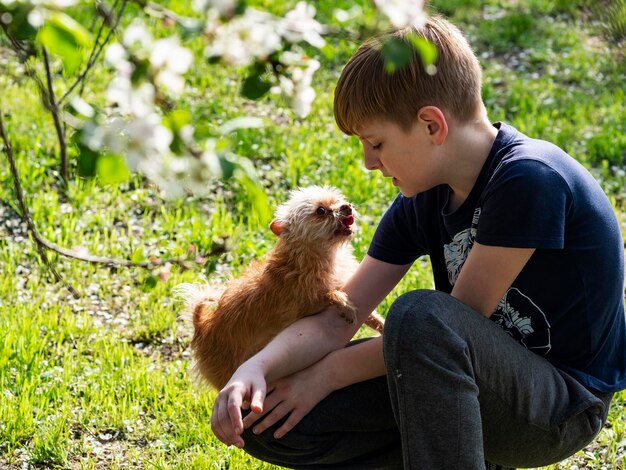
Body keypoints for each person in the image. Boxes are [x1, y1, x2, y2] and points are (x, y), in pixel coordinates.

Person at [210, 15, 626, 469]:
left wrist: (326, 374)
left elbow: (454, 321)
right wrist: (257, 369)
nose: (369, 163)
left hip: (558, 407)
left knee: (420, 316)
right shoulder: (423, 197)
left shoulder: (529, 179)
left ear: (432, 125)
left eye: (376, 143)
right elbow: (339, 317)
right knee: (268, 419)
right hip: (461, 382)